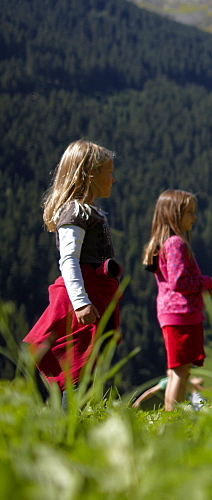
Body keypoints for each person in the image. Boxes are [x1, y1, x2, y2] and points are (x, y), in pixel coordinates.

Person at [24, 140, 122, 394]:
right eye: (108, 173)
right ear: (88, 175)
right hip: (83, 300)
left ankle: (81, 426)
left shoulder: (88, 211)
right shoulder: (75, 212)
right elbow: (69, 259)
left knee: (90, 367)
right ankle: (70, 427)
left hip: (96, 296)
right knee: (78, 368)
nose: (113, 179)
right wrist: (80, 302)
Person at [141, 190, 212, 411]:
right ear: (174, 214)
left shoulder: (163, 243)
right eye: (189, 213)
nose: (194, 217)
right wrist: (208, 283)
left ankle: (172, 413)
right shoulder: (175, 243)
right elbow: (179, 281)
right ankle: (172, 416)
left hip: (173, 312)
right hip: (181, 314)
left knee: (179, 369)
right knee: (180, 370)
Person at [132, 375, 206, 410]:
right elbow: (151, 391)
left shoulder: (189, 384)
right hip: (172, 407)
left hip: (187, 408)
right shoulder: (168, 381)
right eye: (199, 383)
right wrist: (139, 401)